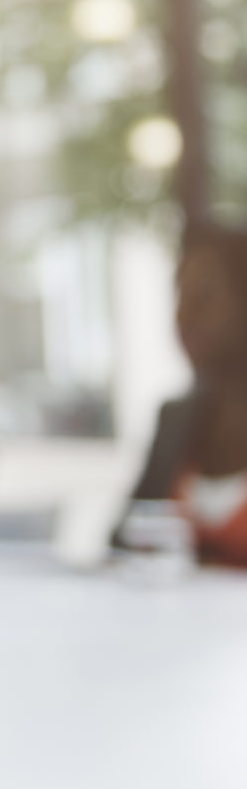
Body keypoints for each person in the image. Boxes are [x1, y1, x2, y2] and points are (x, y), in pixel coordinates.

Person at [116, 222, 247, 567]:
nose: (183, 315)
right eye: (179, 293)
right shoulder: (176, 418)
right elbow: (122, 545)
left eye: (204, 295)